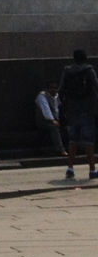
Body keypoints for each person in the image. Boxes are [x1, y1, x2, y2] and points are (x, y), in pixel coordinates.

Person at [59, 49, 98, 180]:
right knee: (89, 142)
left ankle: (70, 169)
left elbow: (61, 91)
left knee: (73, 141)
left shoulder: (67, 71)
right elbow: (95, 89)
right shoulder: (89, 71)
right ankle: (92, 170)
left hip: (72, 111)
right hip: (87, 110)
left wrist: (65, 108)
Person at [34, 81, 65, 157]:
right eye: (51, 88)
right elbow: (46, 110)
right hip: (44, 120)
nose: (53, 90)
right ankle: (60, 149)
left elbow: (57, 108)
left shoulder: (57, 96)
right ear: (48, 89)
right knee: (54, 127)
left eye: (55, 88)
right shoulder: (42, 96)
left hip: (55, 118)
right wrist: (52, 120)